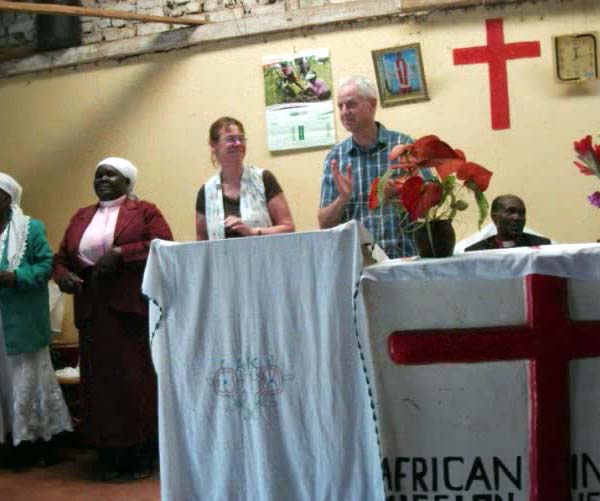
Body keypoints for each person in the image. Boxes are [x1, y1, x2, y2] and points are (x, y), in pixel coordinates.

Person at [53, 157, 173, 481]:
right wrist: (63, 276)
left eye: (111, 174)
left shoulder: (144, 211)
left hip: (129, 310)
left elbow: (162, 246)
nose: (103, 178)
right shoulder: (81, 216)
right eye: (98, 174)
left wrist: (122, 253)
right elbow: (61, 258)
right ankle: (108, 456)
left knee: (134, 383)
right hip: (92, 312)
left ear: (127, 181)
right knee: (100, 387)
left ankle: (140, 455)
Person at [0, 173, 72, 470]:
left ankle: (35, 443)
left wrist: (16, 276)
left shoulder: (31, 228)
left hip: (23, 321)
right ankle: (7, 441)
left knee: (27, 383)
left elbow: (46, 265)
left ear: (8, 197)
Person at [318, 75, 429, 259]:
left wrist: (402, 193)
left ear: (372, 104)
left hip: (404, 260)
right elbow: (324, 224)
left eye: (351, 104)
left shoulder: (403, 146)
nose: (345, 112)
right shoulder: (335, 158)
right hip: (359, 266)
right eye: (340, 106)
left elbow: (432, 201)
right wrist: (342, 199)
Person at [196, 117, 295, 240]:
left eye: (241, 139)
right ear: (213, 145)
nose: (238, 144)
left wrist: (254, 232)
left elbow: (288, 227)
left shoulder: (264, 179)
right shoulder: (206, 192)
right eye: (231, 139)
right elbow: (201, 241)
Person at [465, 194, 551, 251]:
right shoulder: (476, 251)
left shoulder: (543, 246)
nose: (517, 218)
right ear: (494, 217)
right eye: (511, 212)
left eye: (522, 213)